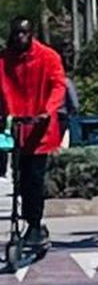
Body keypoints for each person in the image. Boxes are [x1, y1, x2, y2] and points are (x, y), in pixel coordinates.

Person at [0, 18, 68, 255]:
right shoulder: (5, 60)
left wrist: (47, 111)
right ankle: (26, 221)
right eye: (17, 33)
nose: (20, 37)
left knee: (34, 180)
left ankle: (35, 224)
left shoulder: (47, 57)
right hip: (17, 128)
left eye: (24, 33)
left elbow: (58, 85)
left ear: (32, 34)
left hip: (40, 130)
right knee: (20, 179)